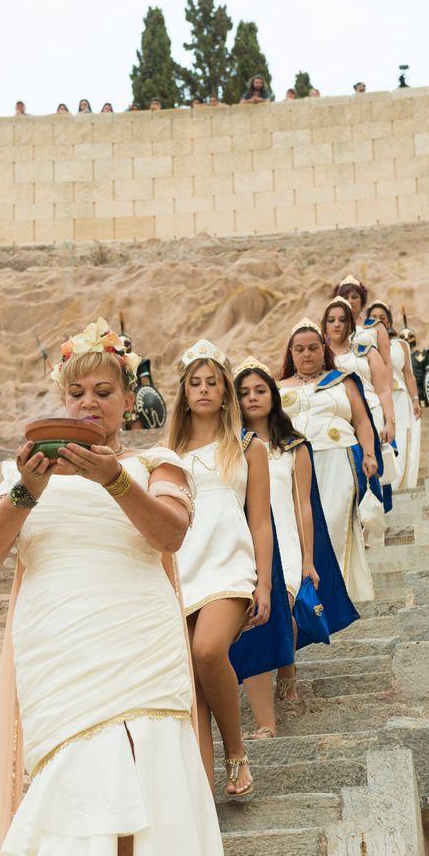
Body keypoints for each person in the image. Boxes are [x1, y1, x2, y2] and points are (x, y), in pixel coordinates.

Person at [0, 318, 271, 856]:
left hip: (136, 650)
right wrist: (27, 488)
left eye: (104, 392)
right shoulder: (22, 477)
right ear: (61, 399)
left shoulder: (159, 464)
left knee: (143, 816)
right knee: (81, 819)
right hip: (60, 655)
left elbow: (169, 533)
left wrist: (109, 477)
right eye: (77, 393)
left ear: (129, 399)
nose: (89, 404)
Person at [167, 339, 272, 799]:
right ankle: (203, 798)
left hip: (230, 567)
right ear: (184, 393)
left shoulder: (248, 446)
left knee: (209, 651)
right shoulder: (166, 454)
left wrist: (265, 584)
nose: (204, 389)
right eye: (195, 383)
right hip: (182, 568)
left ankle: (236, 752)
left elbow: (261, 521)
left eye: (213, 382)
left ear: (226, 391)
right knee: (194, 683)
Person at [233, 358, 335, 735]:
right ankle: (264, 687)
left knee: (287, 609)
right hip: (245, 540)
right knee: (255, 615)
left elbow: (303, 504)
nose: (252, 398)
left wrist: (308, 559)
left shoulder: (293, 446)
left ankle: (287, 669)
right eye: (244, 393)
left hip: (287, 539)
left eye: (260, 390)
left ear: (273, 396)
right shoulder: (231, 446)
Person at [279, 320, 378, 602]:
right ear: (291, 353)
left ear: (324, 350)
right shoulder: (276, 388)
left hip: (338, 458)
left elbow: (362, 421)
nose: (306, 354)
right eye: (299, 349)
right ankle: (307, 596)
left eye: (313, 348)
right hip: (291, 463)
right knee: (298, 526)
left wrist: (369, 454)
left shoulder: (342, 381)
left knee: (333, 521)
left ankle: (337, 595)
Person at [322, 298, 395, 443]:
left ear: (351, 325)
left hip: (371, 414)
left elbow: (383, 390)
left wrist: (390, 422)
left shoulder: (368, 352)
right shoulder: (321, 360)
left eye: (342, 320)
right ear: (325, 326)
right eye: (331, 320)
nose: (336, 324)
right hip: (337, 422)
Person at [368, 301, 422, 490]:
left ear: (389, 321)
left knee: (402, 438)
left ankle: (401, 485)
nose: (378, 321)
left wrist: (415, 399)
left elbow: (408, 375)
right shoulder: (364, 346)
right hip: (376, 401)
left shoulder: (401, 345)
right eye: (373, 317)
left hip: (400, 398)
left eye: (382, 318)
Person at [333, 273, 394, 386]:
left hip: (372, 386)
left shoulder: (376, 327)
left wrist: (387, 390)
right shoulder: (331, 329)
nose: (350, 301)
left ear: (362, 300)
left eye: (354, 297)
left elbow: (387, 362)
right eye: (345, 297)